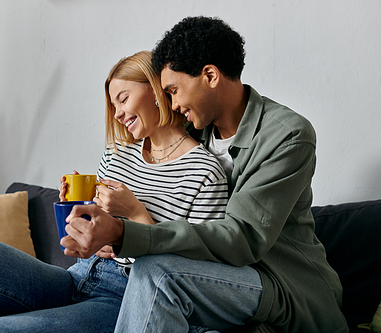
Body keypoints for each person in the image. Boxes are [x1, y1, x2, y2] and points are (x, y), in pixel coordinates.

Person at [61, 17, 349, 332]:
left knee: (158, 273)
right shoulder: (193, 135)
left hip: (279, 284)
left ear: (209, 75)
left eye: (173, 91)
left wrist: (123, 235)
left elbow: (242, 238)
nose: (171, 104)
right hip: (208, 279)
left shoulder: (287, 135)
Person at [0, 51, 228, 332]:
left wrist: (135, 213)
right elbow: (84, 236)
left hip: (126, 296)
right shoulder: (118, 154)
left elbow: (192, 277)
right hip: (79, 274)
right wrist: (75, 207)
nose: (118, 113)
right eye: (113, 105)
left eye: (123, 99)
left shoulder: (204, 172)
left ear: (155, 90)